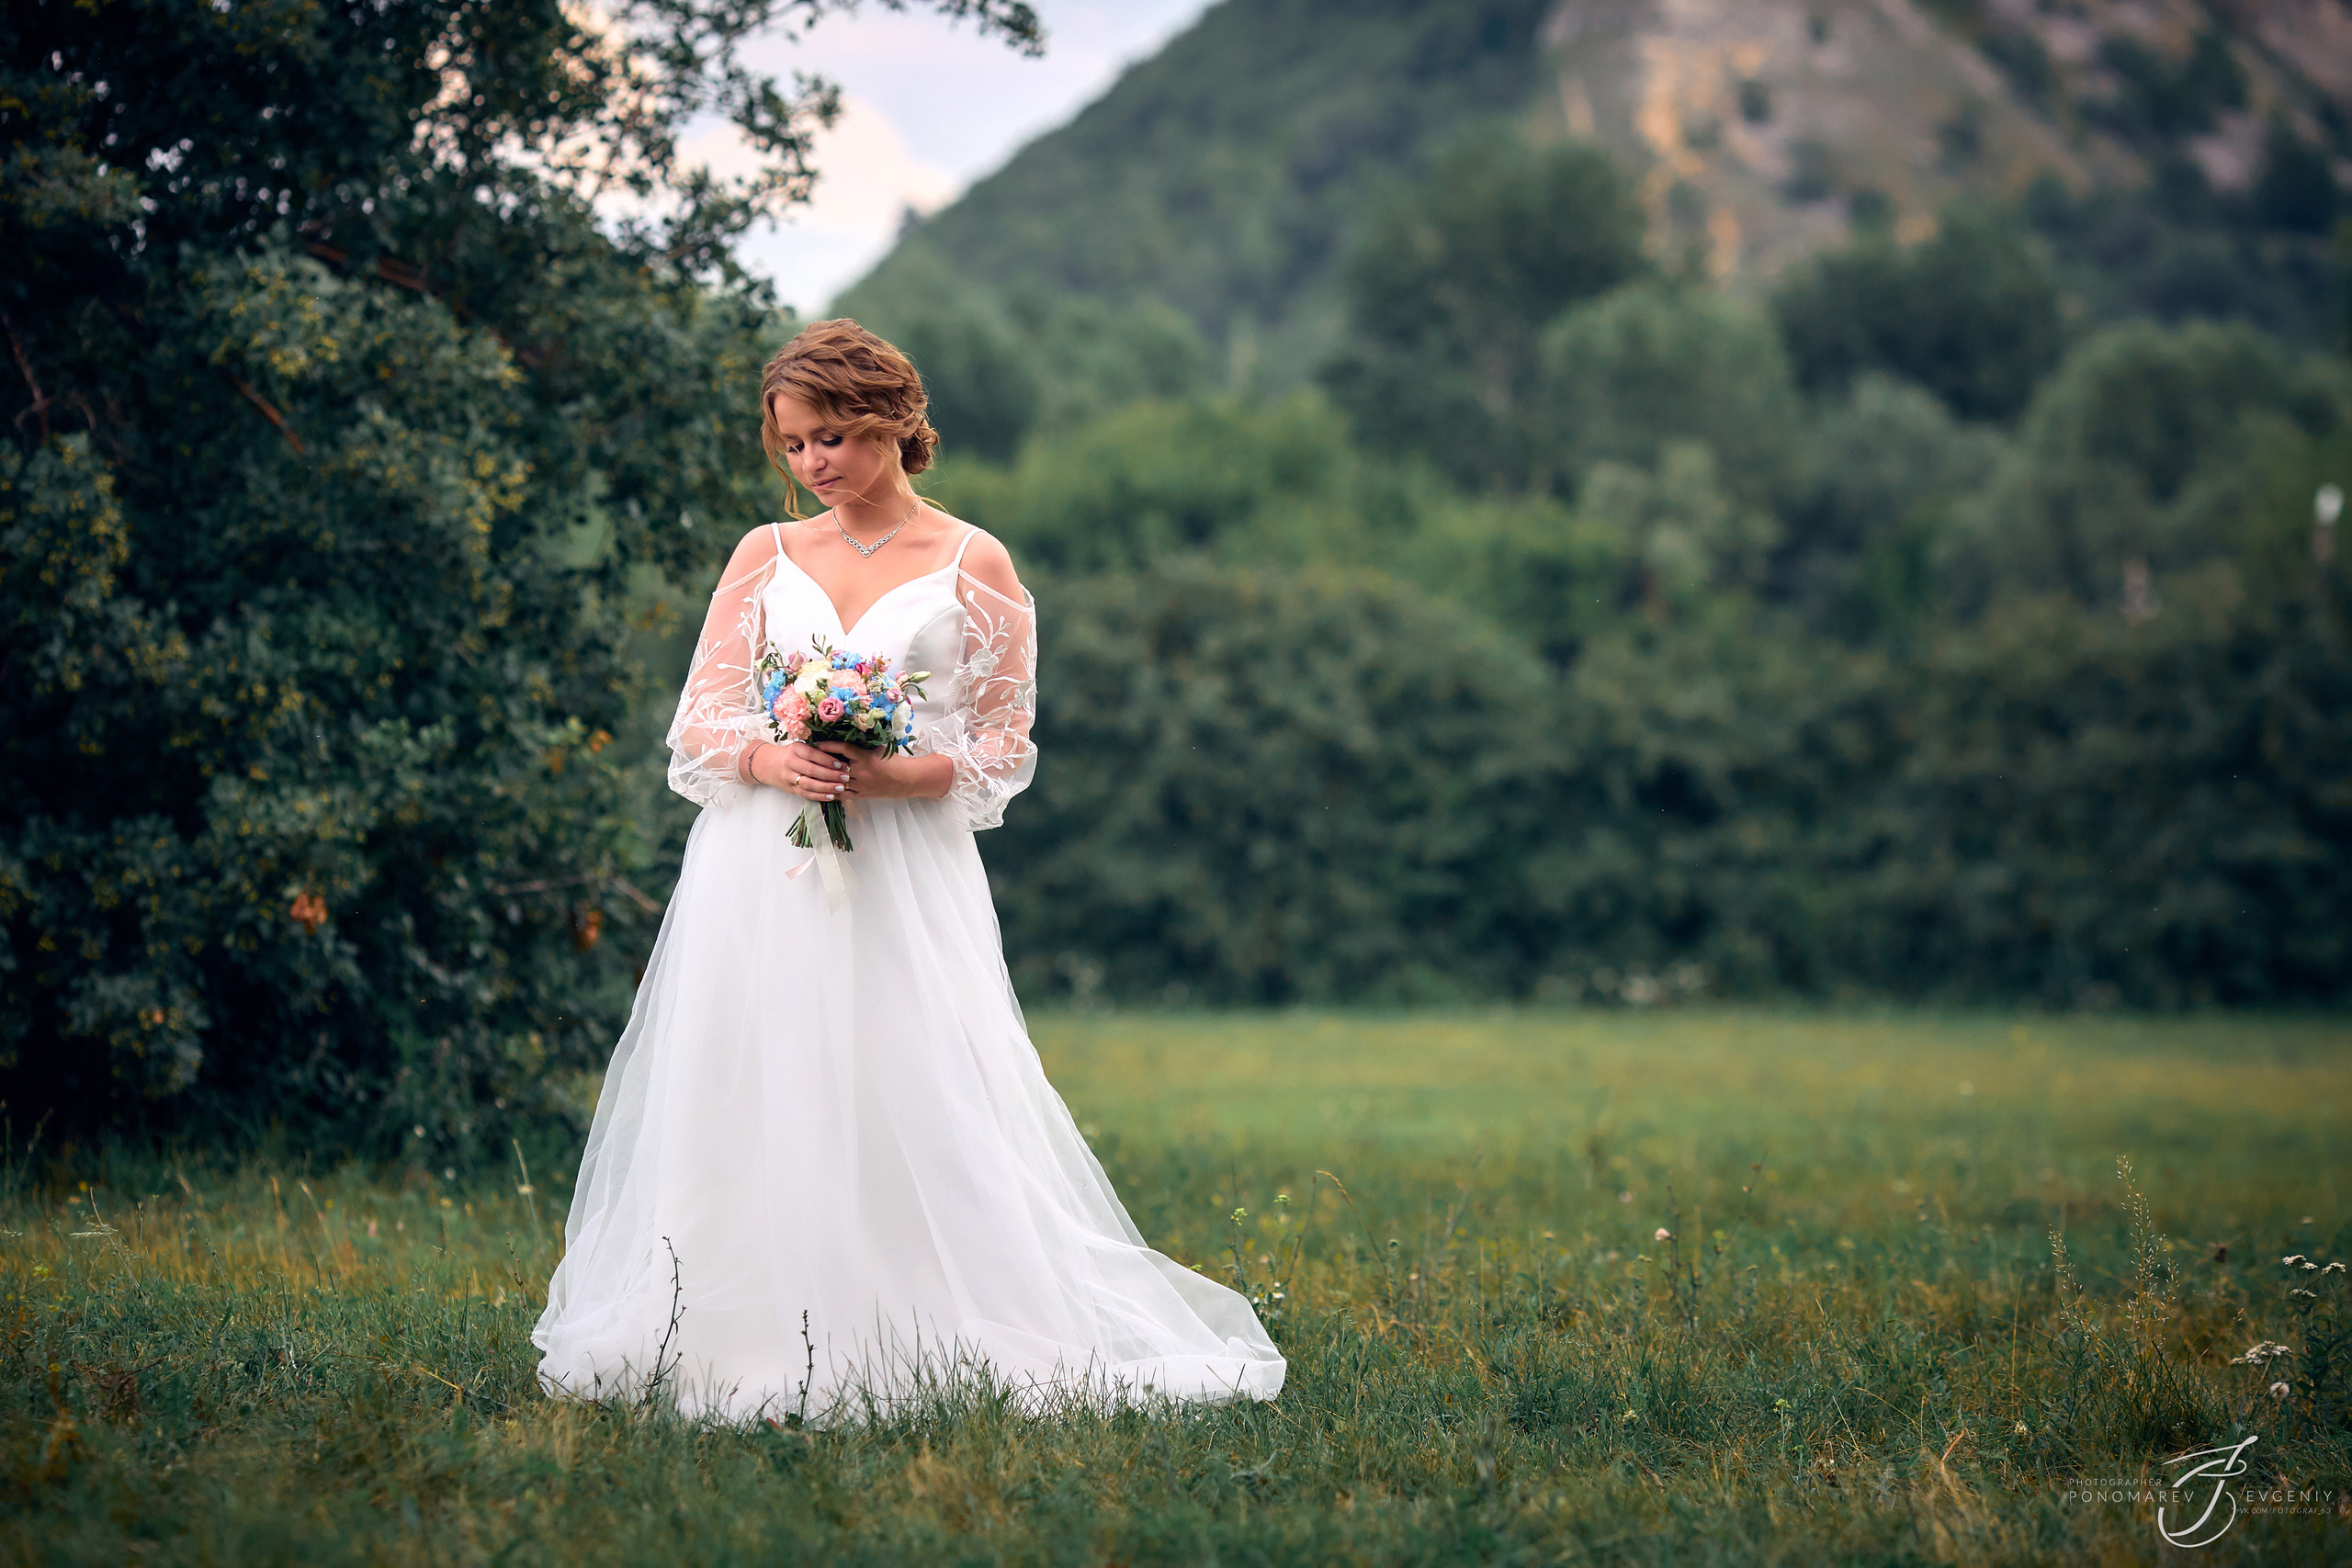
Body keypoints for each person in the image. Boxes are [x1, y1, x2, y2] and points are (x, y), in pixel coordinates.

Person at [532, 320, 1284, 1420]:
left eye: (833, 436)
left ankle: (918, 1319)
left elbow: (1000, 747)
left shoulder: (973, 562)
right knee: (749, 1079)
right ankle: (733, 1327)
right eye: (793, 445)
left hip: (900, 873)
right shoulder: (763, 556)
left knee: (907, 1079)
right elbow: (696, 721)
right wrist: (766, 753)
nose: (813, 465)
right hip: (759, 864)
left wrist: (893, 778)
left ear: (894, 423)